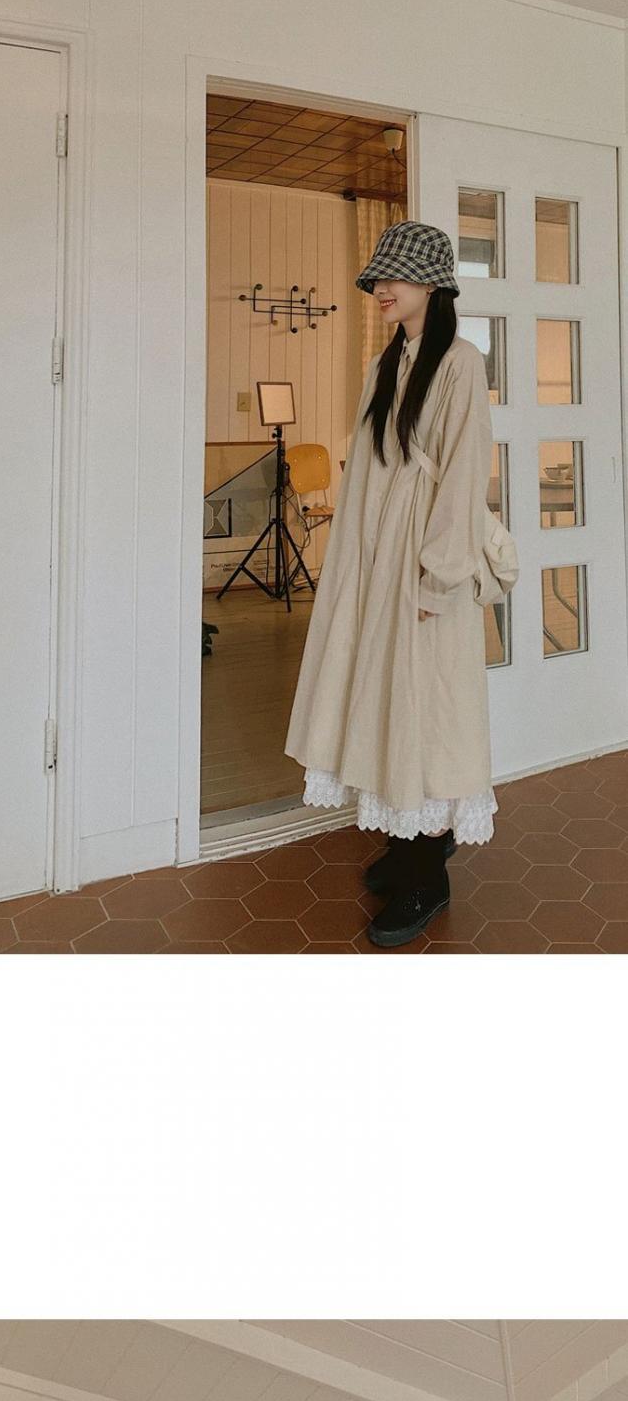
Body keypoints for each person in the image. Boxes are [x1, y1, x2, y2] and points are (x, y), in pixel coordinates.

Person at [285, 219, 496, 949]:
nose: (380, 287)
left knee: (426, 711)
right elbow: (373, 471)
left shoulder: (460, 363)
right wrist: (353, 566)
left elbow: (463, 474)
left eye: (395, 275)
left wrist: (438, 578)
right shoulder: (386, 363)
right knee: (384, 698)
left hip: (425, 562)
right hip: (379, 559)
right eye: (377, 276)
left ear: (432, 284)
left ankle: (426, 874)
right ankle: (409, 847)